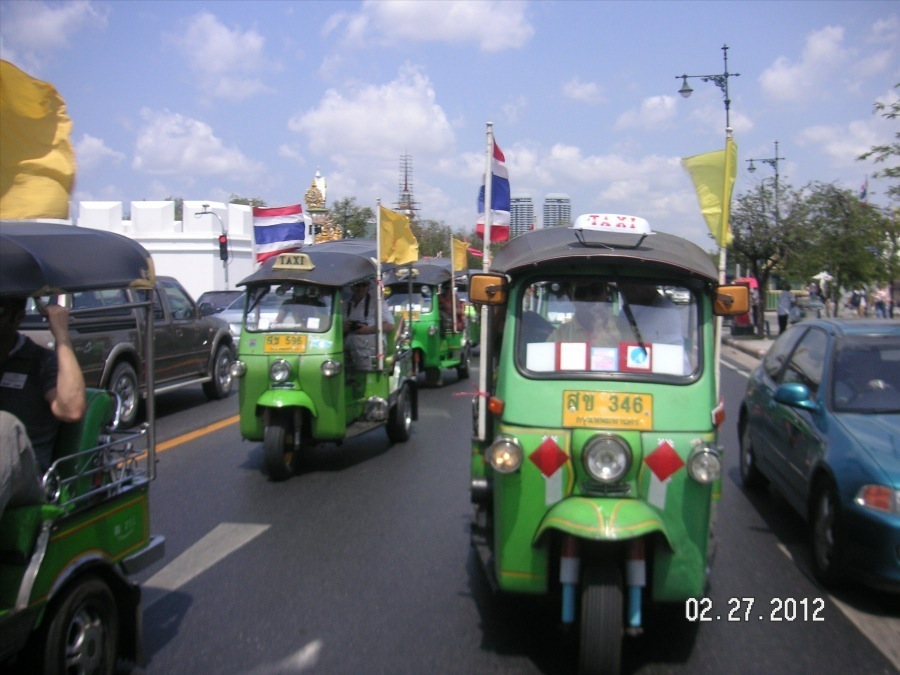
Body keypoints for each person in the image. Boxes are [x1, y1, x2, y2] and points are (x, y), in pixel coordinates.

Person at [1, 297, 86, 518]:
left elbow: (71, 408)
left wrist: (62, 337)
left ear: (17, 317)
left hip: (25, 479)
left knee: (4, 424)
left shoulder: (40, 361)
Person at [547, 280, 629, 346]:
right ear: (571, 296)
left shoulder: (625, 329)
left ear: (606, 293)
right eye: (581, 293)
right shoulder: (560, 336)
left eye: (596, 290)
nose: (589, 298)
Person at [343, 279, 394, 371]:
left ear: (368, 287)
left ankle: (365, 375)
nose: (361, 288)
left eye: (364, 285)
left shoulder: (378, 302)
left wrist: (367, 329)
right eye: (357, 285)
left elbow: (390, 325)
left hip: (374, 341)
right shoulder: (345, 305)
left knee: (355, 340)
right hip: (350, 339)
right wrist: (344, 328)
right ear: (352, 287)